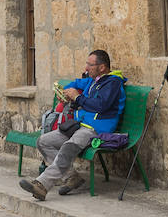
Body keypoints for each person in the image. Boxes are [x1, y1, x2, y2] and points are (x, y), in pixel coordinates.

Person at [19, 49, 126, 200]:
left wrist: (78, 98)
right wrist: (66, 92)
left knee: (68, 147)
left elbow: (101, 105)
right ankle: (72, 177)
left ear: (102, 67)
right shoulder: (93, 80)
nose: (86, 68)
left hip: (95, 130)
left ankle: (42, 185)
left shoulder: (113, 83)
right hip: (79, 125)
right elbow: (75, 83)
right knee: (43, 141)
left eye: (90, 65)